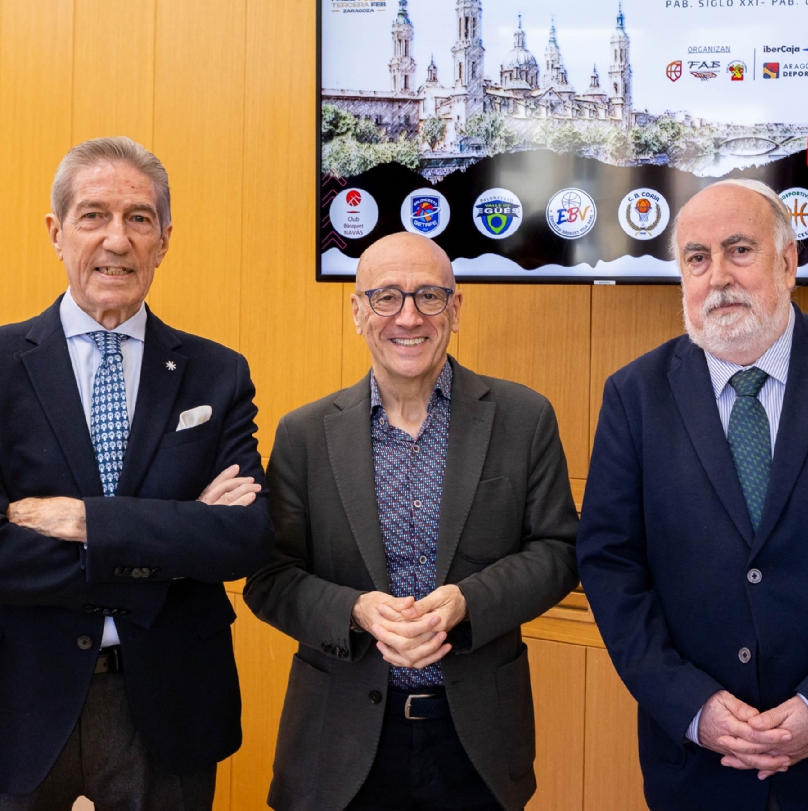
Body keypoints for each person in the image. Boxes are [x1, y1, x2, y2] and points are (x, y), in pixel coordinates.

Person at [577, 178, 808, 811]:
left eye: (739, 250)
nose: (717, 275)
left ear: (787, 263)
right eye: (697, 258)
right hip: (699, 769)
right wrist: (689, 705)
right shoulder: (634, 396)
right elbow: (610, 566)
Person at [244, 232, 578, 811]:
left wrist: (469, 601)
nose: (408, 317)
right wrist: (356, 611)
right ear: (356, 310)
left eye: (428, 295)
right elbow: (269, 578)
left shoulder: (524, 417)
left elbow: (558, 552)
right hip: (337, 743)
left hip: (477, 743)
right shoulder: (303, 434)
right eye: (386, 297)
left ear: (455, 307)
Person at [0, 137, 274, 810]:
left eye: (139, 218)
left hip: (170, 703)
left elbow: (243, 539)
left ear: (165, 239)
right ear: (55, 232)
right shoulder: (1, 366)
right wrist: (174, 540)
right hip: (21, 699)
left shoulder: (218, 373)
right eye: (94, 216)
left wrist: (86, 522)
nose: (117, 240)